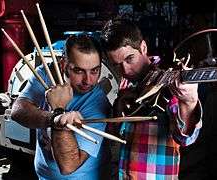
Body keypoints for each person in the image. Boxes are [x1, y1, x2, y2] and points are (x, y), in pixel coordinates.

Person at [100, 19, 202, 179]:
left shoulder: (169, 79)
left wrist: (189, 102)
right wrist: (119, 106)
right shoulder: (126, 81)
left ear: (143, 47)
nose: (125, 69)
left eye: (129, 59)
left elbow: (185, 138)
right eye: (117, 64)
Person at [11, 34, 112, 179]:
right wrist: (54, 118)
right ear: (63, 64)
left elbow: (68, 166)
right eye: (79, 70)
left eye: (94, 70)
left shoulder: (97, 102)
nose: (88, 81)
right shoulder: (46, 73)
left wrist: (58, 110)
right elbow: (18, 111)